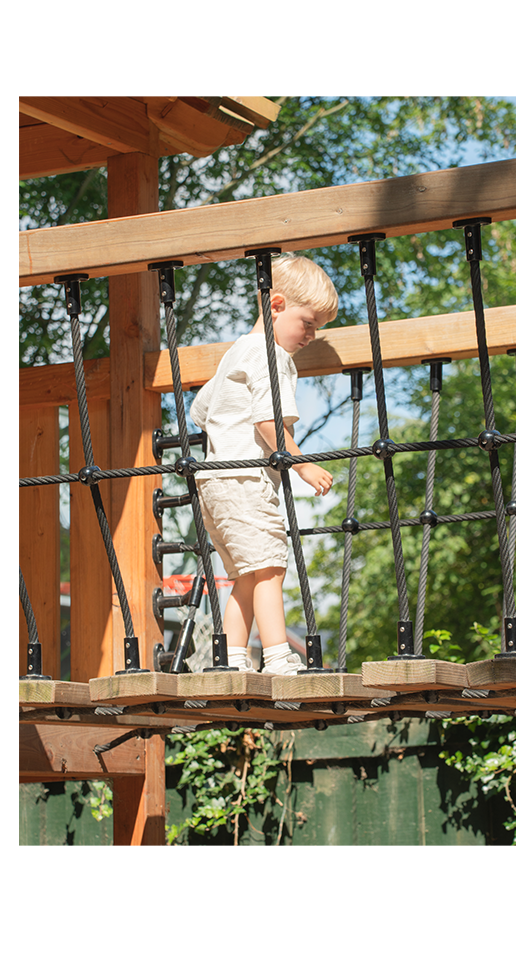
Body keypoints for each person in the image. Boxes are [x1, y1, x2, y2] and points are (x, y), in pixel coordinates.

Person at [188, 255, 337, 674]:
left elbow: (201, 410)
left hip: (215, 478)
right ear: (276, 304)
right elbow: (268, 419)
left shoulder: (237, 350)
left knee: (248, 575)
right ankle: (277, 656)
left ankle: (234, 659)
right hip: (245, 479)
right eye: (308, 323)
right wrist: (302, 466)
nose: (310, 335)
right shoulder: (271, 357)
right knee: (271, 567)